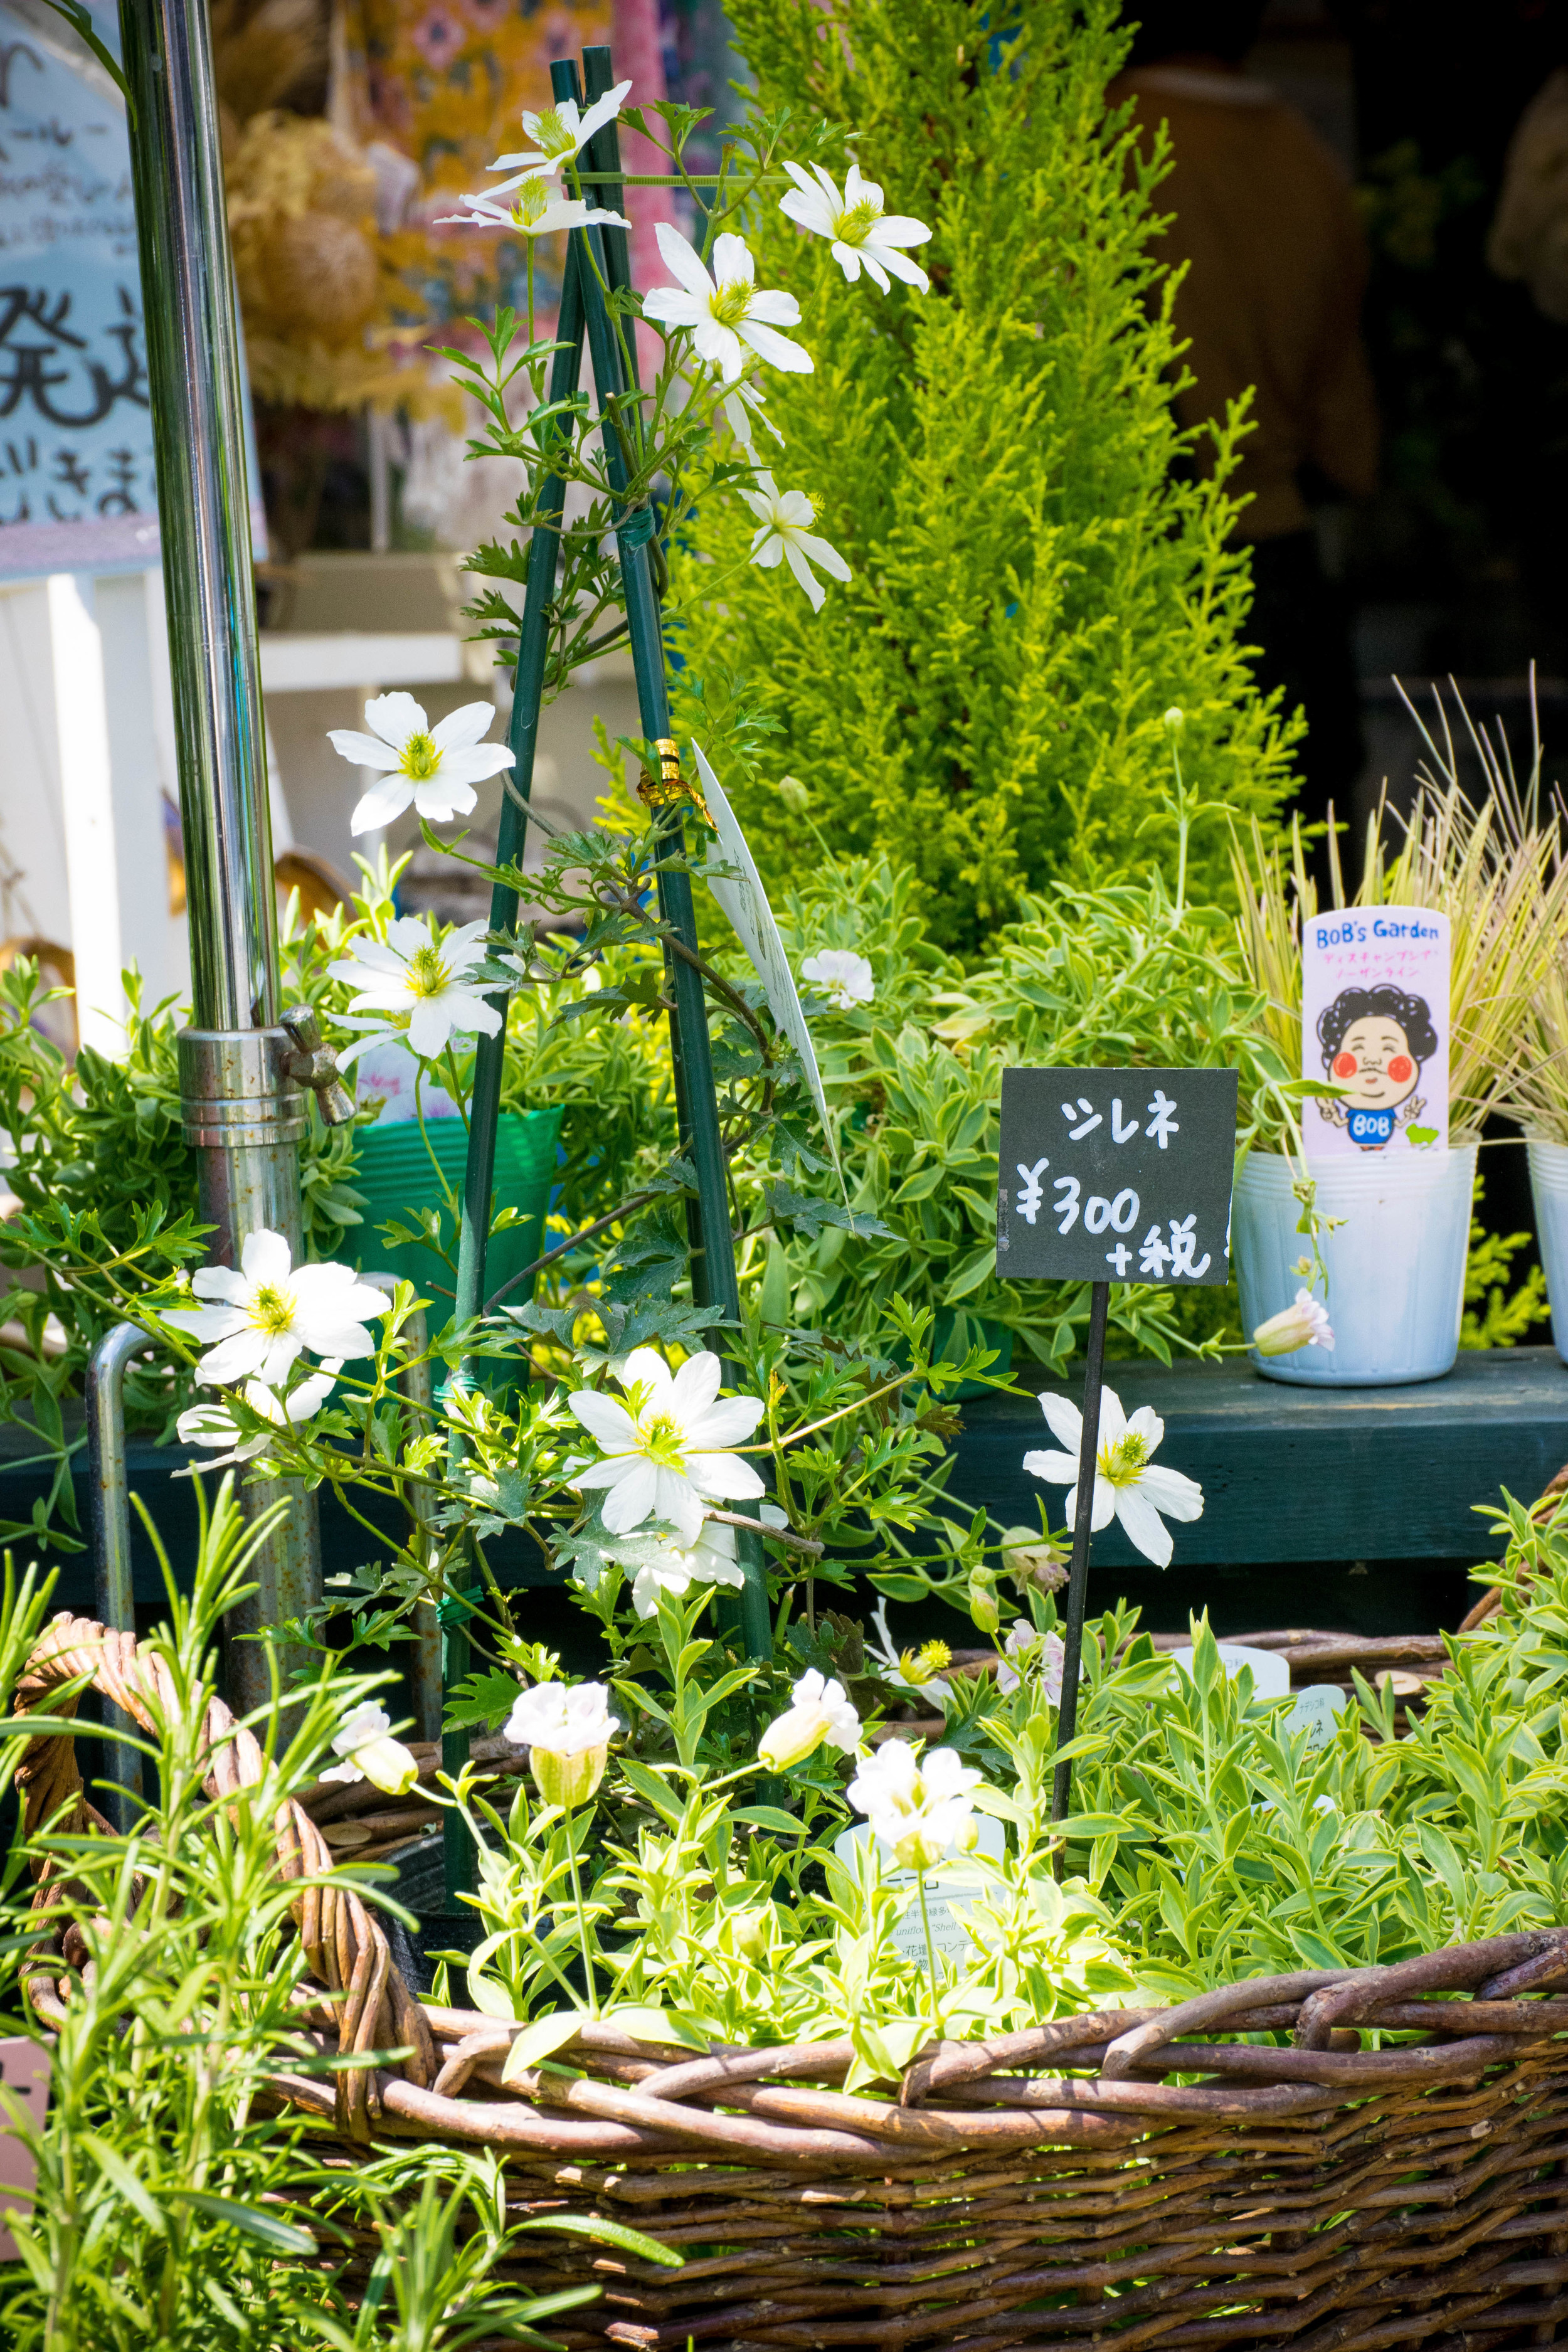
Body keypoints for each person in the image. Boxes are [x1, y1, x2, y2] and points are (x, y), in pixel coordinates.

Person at [1113, 1, 1379, 856]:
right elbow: (1351, 435)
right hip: (1288, 565)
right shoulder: (1307, 160)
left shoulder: (1102, 141)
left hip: (1145, 574)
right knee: (1311, 893)